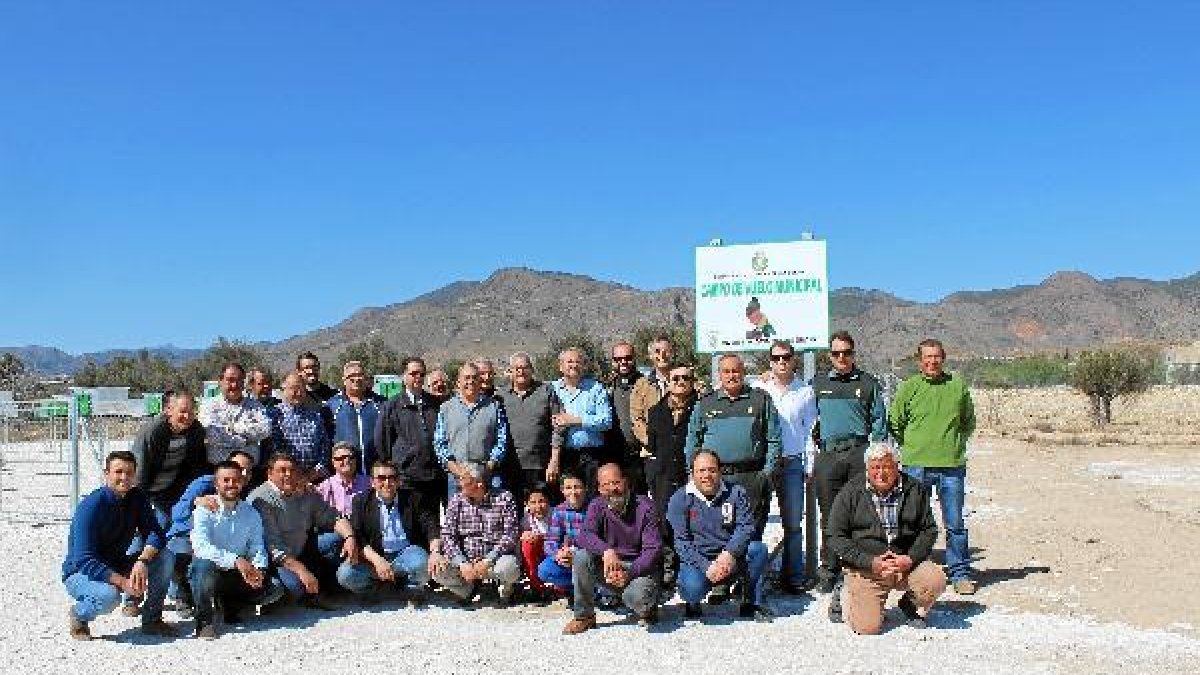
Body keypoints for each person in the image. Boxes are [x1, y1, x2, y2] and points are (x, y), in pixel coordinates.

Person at [827, 441, 946, 634]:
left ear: (897, 466)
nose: (881, 473)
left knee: (935, 580)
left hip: (904, 564)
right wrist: (868, 561)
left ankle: (910, 605)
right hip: (868, 566)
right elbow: (835, 535)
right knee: (867, 627)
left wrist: (910, 558)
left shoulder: (914, 489)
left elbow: (929, 530)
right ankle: (845, 593)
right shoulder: (851, 491)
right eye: (875, 467)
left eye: (887, 467)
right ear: (867, 468)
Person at [889, 338, 978, 595]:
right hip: (916, 465)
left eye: (937, 356)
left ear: (944, 358)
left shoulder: (957, 386)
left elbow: (968, 421)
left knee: (954, 523)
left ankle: (959, 573)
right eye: (927, 357)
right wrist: (914, 445)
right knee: (914, 522)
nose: (932, 361)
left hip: (951, 466)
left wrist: (953, 445)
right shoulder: (909, 387)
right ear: (919, 361)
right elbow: (896, 422)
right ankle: (915, 570)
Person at [62, 450, 177, 639]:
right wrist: (123, 583)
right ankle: (79, 615)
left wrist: (142, 561)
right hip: (79, 573)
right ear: (106, 473)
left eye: (129, 472)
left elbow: (155, 533)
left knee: (165, 557)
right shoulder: (91, 506)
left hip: (117, 563)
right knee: (109, 596)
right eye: (118, 472)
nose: (124, 477)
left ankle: (152, 619)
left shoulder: (137, 498)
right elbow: (84, 559)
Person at [810, 330, 888, 595]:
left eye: (846, 352)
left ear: (854, 354)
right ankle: (829, 569)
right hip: (829, 456)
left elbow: (879, 422)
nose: (841, 357)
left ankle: (856, 566)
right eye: (836, 353)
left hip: (859, 453)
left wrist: (873, 455)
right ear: (830, 356)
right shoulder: (817, 383)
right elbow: (800, 409)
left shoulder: (868, 383)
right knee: (829, 515)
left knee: (859, 513)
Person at [127, 389, 208, 616]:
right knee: (140, 541)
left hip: (173, 495)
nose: (187, 416)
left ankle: (179, 594)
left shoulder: (195, 431)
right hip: (145, 493)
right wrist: (137, 509)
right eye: (182, 411)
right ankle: (132, 596)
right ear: (167, 410)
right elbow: (138, 473)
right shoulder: (151, 432)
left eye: (192, 411)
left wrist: (193, 496)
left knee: (176, 540)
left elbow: (197, 468)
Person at [667, 450, 773, 622]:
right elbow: (681, 542)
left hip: (729, 557)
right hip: (698, 559)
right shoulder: (679, 499)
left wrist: (729, 553)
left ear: (720, 471)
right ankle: (693, 603)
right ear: (692, 473)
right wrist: (707, 566)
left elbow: (746, 527)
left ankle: (751, 602)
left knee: (758, 550)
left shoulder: (736, 492)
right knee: (692, 588)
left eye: (712, 470)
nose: (707, 475)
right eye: (701, 471)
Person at [684, 354, 782, 537]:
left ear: (744, 372)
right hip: (715, 479)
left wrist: (766, 474)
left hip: (751, 478)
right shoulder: (705, 402)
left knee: (751, 533)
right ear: (719, 375)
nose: (731, 376)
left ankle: (750, 566)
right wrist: (693, 472)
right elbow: (693, 441)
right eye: (726, 372)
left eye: (735, 371)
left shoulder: (760, 400)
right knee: (717, 533)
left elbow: (774, 439)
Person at [188, 460, 284, 639]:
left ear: (242, 482)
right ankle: (204, 621)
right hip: (213, 571)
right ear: (216, 484)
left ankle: (230, 605)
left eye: (236, 480)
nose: (231, 484)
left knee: (275, 589)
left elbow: (256, 546)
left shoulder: (250, 513)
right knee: (202, 566)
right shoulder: (204, 510)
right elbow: (201, 547)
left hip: (237, 574)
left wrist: (259, 569)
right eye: (226, 480)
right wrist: (236, 560)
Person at [247, 452, 357, 608]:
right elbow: (273, 547)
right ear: (270, 474)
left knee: (337, 539)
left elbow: (333, 517)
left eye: (292, 470)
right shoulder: (261, 499)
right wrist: (302, 571)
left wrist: (350, 537)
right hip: (275, 561)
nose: (288, 475)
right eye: (282, 470)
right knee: (295, 586)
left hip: (301, 548)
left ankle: (330, 587)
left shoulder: (305, 492)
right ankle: (276, 594)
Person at [563, 463, 662, 634]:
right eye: (605, 485)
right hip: (610, 565)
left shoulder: (645, 507)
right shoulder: (597, 505)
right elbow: (585, 535)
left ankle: (648, 607)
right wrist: (606, 551)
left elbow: (652, 550)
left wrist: (629, 573)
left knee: (639, 600)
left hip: (638, 568)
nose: (612, 489)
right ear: (599, 488)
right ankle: (584, 616)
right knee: (581, 557)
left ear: (626, 482)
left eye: (616, 482)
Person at [751, 340, 817, 594]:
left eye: (786, 357)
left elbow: (810, 430)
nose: (782, 362)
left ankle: (794, 577)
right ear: (770, 361)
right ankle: (754, 577)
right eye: (776, 358)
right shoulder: (759, 388)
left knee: (793, 524)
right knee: (756, 521)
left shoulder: (805, 392)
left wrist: (808, 465)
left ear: (793, 360)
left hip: (791, 463)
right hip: (763, 463)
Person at [336, 460, 443, 607]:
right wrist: (377, 560)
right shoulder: (360, 501)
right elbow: (358, 536)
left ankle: (409, 588)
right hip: (375, 555)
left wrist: (436, 552)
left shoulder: (414, 498)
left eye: (391, 478)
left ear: (398, 481)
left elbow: (431, 525)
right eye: (381, 478)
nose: (387, 483)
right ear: (372, 482)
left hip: (405, 553)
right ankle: (370, 590)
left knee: (423, 562)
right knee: (345, 574)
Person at [164, 449, 256, 618]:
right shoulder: (204, 483)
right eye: (238, 467)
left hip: (220, 539)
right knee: (180, 551)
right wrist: (195, 502)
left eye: (247, 471)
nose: (242, 473)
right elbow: (177, 512)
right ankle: (183, 593)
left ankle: (223, 595)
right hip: (187, 533)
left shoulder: (246, 491)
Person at [432, 462, 521, 607]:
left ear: (479, 483)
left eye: (463, 480)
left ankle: (504, 590)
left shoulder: (504, 498)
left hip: (494, 559)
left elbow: (511, 534)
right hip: (466, 560)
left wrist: (488, 560)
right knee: (437, 571)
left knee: (509, 568)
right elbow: (448, 535)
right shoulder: (456, 500)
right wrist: (462, 563)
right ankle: (469, 589)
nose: (459, 483)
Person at [644, 361, 698, 594]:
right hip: (663, 475)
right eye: (676, 378)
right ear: (668, 381)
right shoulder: (656, 411)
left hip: (691, 474)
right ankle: (667, 567)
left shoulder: (700, 407)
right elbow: (653, 445)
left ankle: (690, 566)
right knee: (664, 522)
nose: (680, 383)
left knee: (692, 520)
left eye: (685, 378)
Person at [375, 357, 446, 522]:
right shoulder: (391, 406)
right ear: (403, 376)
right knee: (410, 523)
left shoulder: (436, 404)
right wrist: (395, 468)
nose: (418, 378)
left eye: (421, 374)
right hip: (406, 478)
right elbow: (382, 442)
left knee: (432, 522)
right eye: (413, 373)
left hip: (433, 477)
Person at [433, 362, 510, 499]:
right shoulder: (446, 408)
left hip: (488, 475)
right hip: (456, 477)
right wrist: (457, 470)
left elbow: (501, 439)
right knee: (458, 518)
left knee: (492, 518)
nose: (471, 381)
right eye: (466, 378)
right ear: (458, 382)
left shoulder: (494, 406)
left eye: (474, 377)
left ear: (480, 381)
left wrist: (489, 466)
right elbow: (440, 443)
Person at [497, 351, 565, 499]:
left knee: (543, 509)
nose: (521, 371)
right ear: (510, 372)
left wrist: (554, 460)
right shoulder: (500, 396)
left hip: (541, 465)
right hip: (510, 467)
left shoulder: (546, 391)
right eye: (517, 368)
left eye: (525, 367)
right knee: (514, 512)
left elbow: (558, 427)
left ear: (532, 370)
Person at [550, 348, 613, 493]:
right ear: (560, 366)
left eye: (578, 362)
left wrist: (576, 420)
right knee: (568, 499)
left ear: (584, 366)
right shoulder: (552, 389)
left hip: (592, 455)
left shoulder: (595, 388)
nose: (574, 365)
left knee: (592, 497)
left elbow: (606, 421)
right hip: (564, 455)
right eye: (569, 361)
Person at [200, 362, 271, 467]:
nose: (235, 385)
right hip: (218, 470)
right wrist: (245, 440)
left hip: (250, 471)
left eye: (239, 380)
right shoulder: (209, 406)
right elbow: (213, 435)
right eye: (230, 380)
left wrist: (234, 428)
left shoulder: (256, 405)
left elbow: (265, 430)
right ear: (220, 381)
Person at [267, 372, 333, 482]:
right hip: (287, 478)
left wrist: (317, 471)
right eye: (294, 388)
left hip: (315, 478)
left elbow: (324, 446)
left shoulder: (315, 415)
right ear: (283, 388)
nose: (298, 393)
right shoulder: (274, 415)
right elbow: (276, 449)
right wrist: (294, 474)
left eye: (302, 389)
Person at [629, 336, 674, 493]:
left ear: (672, 353)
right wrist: (653, 442)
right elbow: (637, 419)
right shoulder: (641, 385)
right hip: (652, 452)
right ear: (650, 356)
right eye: (657, 351)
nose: (662, 355)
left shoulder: (685, 380)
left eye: (666, 351)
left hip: (679, 452)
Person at [326, 360, 387, 473]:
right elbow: (327, 440)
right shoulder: (332, 406)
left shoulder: (381, 403)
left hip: (376, 471)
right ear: (344, 380)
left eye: (360, 375)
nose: (357, 379)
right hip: (346, 472)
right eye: (351, 376)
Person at [537, 474, 588, 596]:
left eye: (577, 487)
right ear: (562, 490)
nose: (573, 492)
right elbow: (550, 541)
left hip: (590, 559)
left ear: (586, 488)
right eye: (568, 488)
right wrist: (558, 555)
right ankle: (575, 589)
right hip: (568, 559)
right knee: (545, 570)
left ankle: (594, 590)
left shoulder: (594, 509)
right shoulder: (559, 511)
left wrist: (577, 556)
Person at [607, 340, 646, 492]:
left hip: (639, 455)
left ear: (634, 359)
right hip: (613, 454)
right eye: (618, 359)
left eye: (628, 358)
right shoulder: (607, 386)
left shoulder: (646, 384)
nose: (623, 362)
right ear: (613, 362)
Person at [316, 441, 371, 517]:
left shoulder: (369, 483)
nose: (346, 461)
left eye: (350, 457)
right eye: (340, 458)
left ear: (355, 460)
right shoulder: (325, 487)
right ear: (333, 462)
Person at [518, 483, 552, 602]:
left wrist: (541, 537)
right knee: (526, 544)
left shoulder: (555, 514)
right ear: (527, 504)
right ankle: (535, 585)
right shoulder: (527, 516)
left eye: (542, 501)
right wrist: (524, 534)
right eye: (533, 502)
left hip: (553, 549)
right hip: (538, 550)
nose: (538, 506)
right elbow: (521, 532)